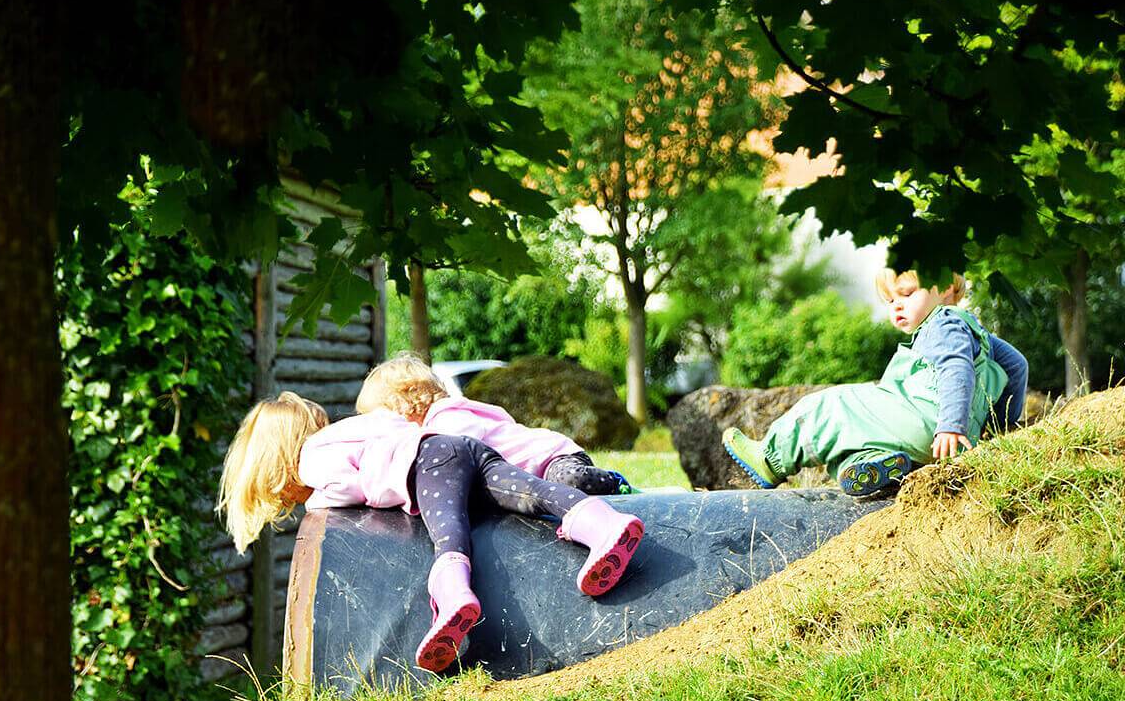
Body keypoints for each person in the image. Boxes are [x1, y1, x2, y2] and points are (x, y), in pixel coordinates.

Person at [217, 390, 644, 674]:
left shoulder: (313, 455)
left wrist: (318, 505)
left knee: (448, 533)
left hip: (430, 463)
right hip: (460, 448)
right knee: (531, 494)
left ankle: (452, 599)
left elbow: (344, 489)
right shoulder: (357, 429)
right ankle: (604, 525)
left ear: (278, 457)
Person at [722, 269, 1027, 497]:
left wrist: (951, 425)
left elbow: (955, 368)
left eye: (907, 294)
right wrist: (997, 427)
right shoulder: (975, 331)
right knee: (859, 434)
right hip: (944, 440)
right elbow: (1016, 366)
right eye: (890, 300)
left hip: (930, 423)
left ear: (946, 287)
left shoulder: (943, 322)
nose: (897, 306)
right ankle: (875, 465)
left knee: (833, 405)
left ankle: (770, 460)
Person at [356, 353, 635, 496]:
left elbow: (459, 456)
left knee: (570, 481)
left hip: (551, 459)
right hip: (531, 479)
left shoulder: (447, 420)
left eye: (381, 417)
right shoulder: (441, 422)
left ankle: (615, 483)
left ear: (404, 404)